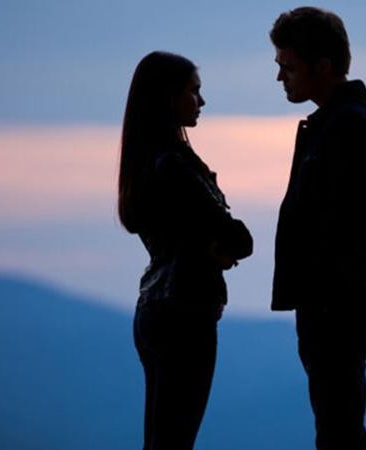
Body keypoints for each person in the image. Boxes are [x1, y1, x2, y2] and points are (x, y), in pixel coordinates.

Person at [269, 7, 366, 450]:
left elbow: (343, 224)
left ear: (322, 67)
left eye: (288, 67)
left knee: (338, 424)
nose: (281, 78)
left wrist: (320, 294)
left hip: (335, 303)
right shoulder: (340, 124)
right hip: (333, 300)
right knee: (336, 418)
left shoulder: (348, 128)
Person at [118, 51, 253, 450]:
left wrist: (214, 244)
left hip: (154, 308)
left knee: (162, 437)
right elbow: (238, 238)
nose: (202, 101)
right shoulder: (175, 166)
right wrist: (219, 246)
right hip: (186, 314)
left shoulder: (146, 164)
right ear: (168, 97)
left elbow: (214, 236)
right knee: (175, 440)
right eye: (194, 91)